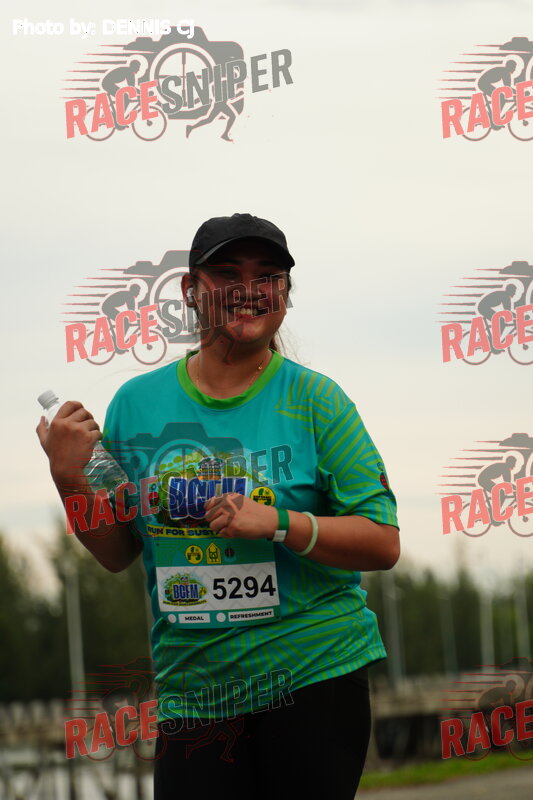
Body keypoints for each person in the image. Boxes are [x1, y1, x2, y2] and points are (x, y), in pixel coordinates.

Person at [36, 212, 400, 800]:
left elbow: (382, 542)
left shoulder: (318, 401)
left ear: (284, 294)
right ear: (190, 290)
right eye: (227, 273)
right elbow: (118, 552)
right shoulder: (136, 404)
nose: (248, 289)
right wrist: (68, 479)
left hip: (314, 673)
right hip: (193, 690)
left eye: (267, 276)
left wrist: (278, 523)